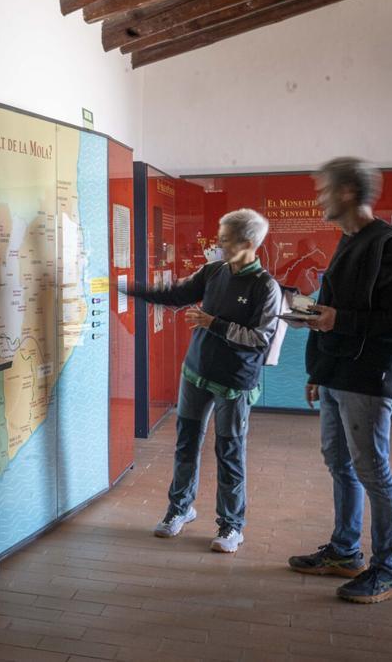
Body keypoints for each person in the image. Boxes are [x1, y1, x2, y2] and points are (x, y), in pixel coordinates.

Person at [288, 157, 392, 604]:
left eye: (323, 189)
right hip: (336, 376)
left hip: (367, 381)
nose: (319, 198)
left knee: (373, 473)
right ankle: (346, 553)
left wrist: (339, 320)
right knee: (340, 464)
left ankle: (389, 571)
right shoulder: (348, 241)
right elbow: (331, 311)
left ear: (347, 192)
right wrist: (317, 369)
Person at [123, 209, 282, 553]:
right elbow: (177, 295)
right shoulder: (213, 271)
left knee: (229, 451)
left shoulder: (266, 287)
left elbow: (260, 338)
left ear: (248, 243)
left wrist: (214, 324)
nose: (218, 244)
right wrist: (130, 289)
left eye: (225, 239)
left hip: (234, 383)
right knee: (186, 444)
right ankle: (179, 509)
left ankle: (231, 526)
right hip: (195, 374)